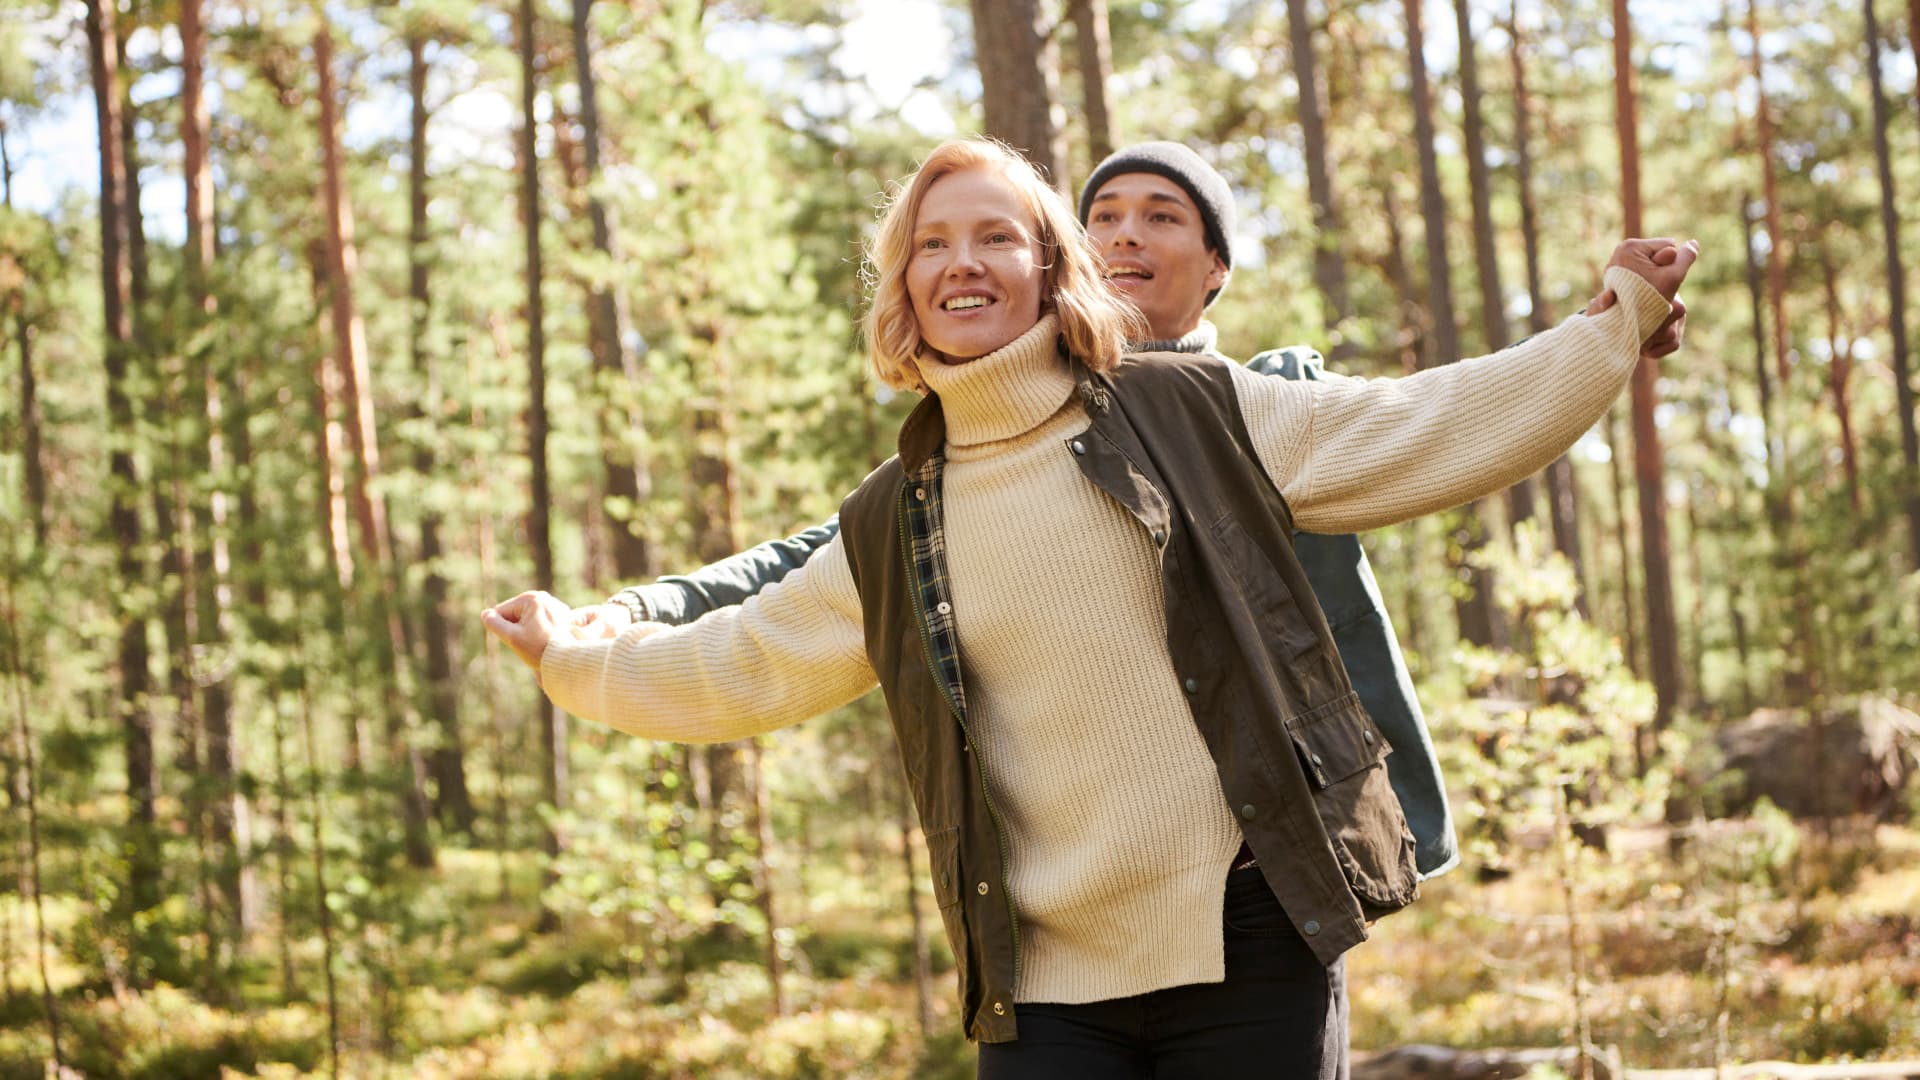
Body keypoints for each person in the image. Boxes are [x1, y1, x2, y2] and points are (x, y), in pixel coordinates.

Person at [484, 136, 1694, 1077]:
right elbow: (743, 655)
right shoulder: (897, 513)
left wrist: (1604, 331)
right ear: (903, 282)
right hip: (1046, 983)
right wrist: (573, 657)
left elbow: (1429, 425)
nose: (963, 262)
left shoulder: (1193, 407)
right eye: (932, 243)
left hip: (1248, 934)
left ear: (1048, 266)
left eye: (996, 237)